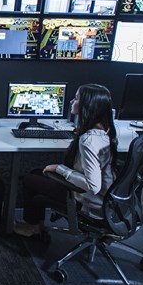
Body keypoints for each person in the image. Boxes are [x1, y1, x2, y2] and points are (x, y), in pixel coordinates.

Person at [13, 83, 118, 237]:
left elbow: (93, 186)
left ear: (86, 106)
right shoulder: (106, 130)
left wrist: (59, 168)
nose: (71, 102)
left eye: (76, 99)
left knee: (29, 179)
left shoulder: (88, 140)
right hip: (108, 195)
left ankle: (33, 227)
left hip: (89, 199)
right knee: (36, 172)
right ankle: (36, 223)